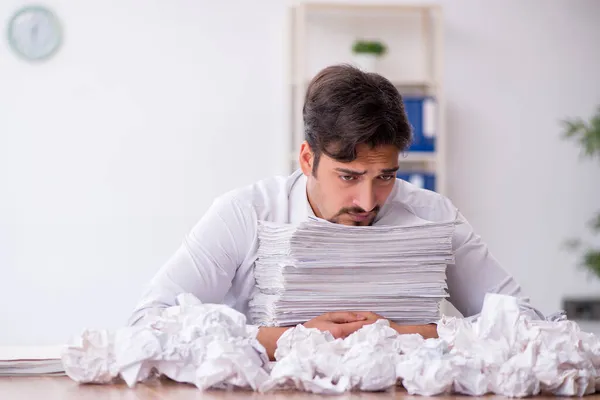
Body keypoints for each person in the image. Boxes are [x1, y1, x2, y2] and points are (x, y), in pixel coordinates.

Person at [128, 64, 542, 360]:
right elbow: (149, 322)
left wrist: (405, 335)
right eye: (349, 176)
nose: (367, 201)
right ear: (308, 159)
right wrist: (288, 339)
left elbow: (525, 321)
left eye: (385, 176)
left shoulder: (431, 213)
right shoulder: (245, 212)